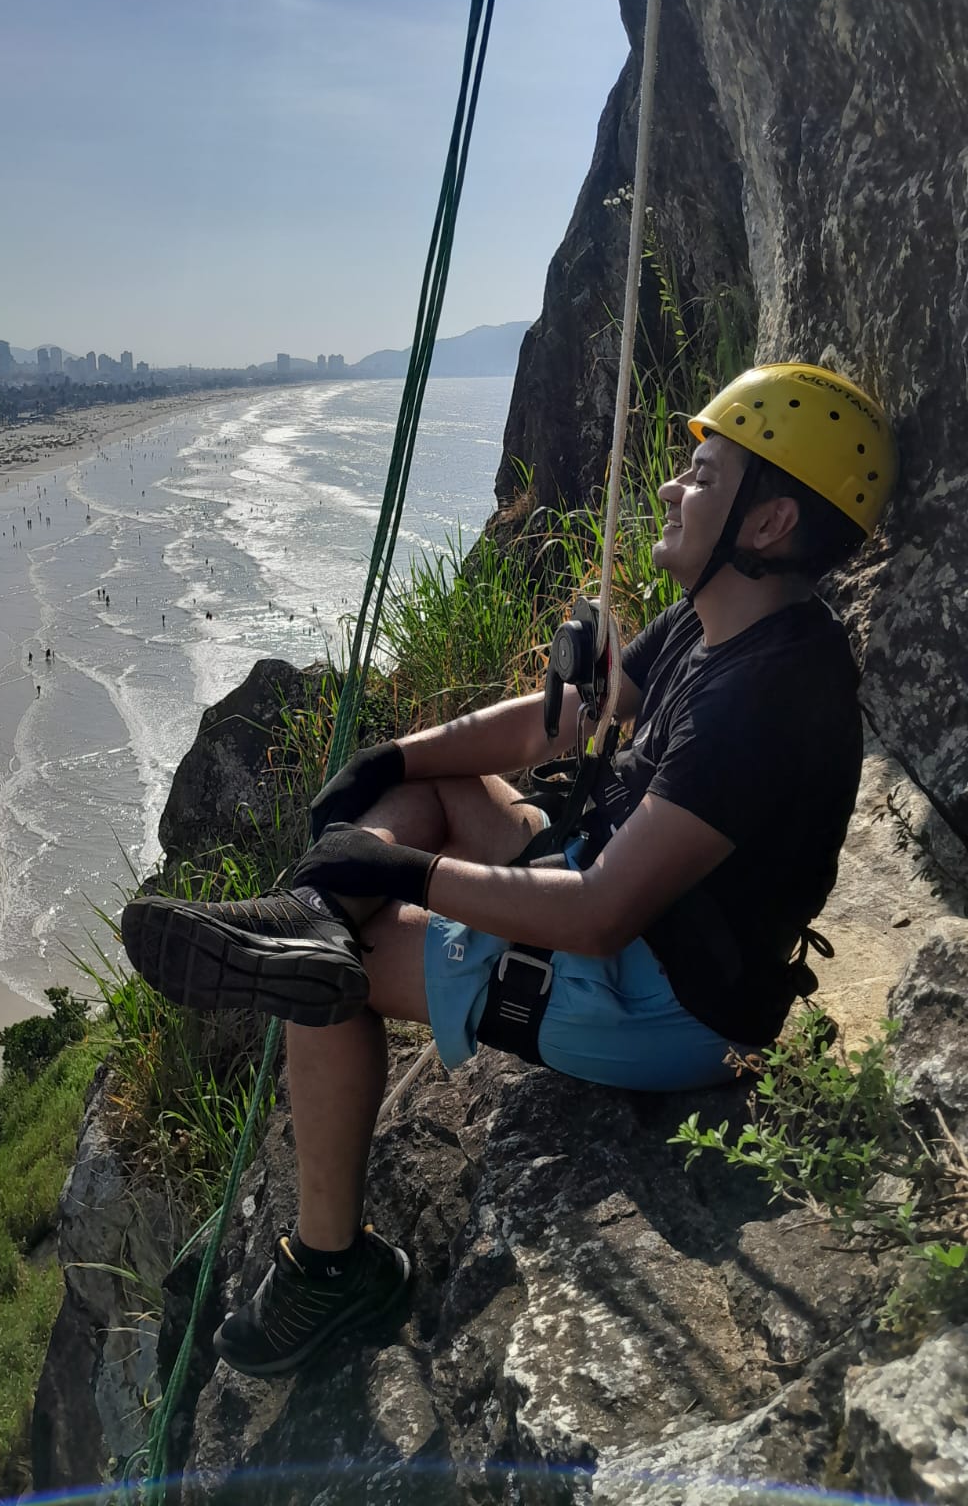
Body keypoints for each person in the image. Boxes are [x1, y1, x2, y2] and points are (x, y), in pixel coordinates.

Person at [120, 364, 898, 1380]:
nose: (670, 488)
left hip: (666, 1003)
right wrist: (395, 761)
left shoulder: (770, 697)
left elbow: (603, 916)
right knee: (417, 804)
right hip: (632, 904)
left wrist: (403, 872)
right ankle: (308, 906)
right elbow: (563, 717)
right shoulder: (722, 627)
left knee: (332, 977)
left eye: (702, 478)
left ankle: (329, 1266)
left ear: (769, 522)